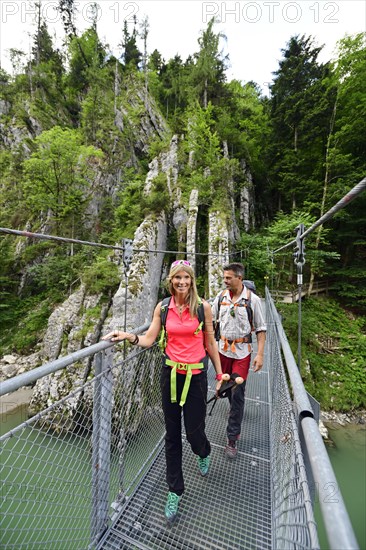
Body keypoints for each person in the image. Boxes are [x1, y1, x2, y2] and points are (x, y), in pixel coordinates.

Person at [102, 259, 223, 522]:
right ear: (171, 280)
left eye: (186, 278)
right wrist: (128, 336)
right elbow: (149, 339)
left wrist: (220, 372)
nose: (182, 282)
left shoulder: (203, 308)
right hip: (169, 375)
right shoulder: (164, 307)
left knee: (194, 432)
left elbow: (211, 342)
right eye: (177, 278)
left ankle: (203, 451)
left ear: (192, 280)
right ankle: (174, 491)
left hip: (197, 376)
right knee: (172, 435)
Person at [211, 262, 266, 459]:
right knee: (224, 387)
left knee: (237, 391)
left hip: (242, 352)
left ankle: (232, 438)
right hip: (222, 350)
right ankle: (231, 399)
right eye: (224, 277)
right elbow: (211, 320)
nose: (225, 281)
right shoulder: (221, 297)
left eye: (228, 278)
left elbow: (260, 328)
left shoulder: (254, 301)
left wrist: (260, 354)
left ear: (239, 278)